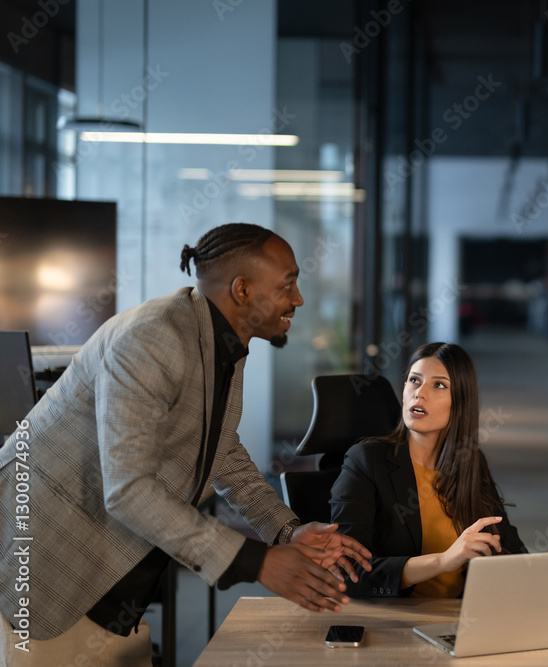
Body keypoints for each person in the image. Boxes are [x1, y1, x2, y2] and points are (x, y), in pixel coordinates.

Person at [0, 223, 371, 665]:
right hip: (48, 570)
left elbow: (223, 453)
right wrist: (258, 563)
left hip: (115, 583)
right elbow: (128, 489)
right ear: (242, 290)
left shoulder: (221, 342)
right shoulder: (152, 338)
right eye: (288, 284)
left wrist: (286, 530)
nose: (299, 299)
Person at [330, 342, 526, 598]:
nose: (419, 393)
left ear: (460, 403)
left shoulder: (470, 462)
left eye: (439, 385)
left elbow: (509, 548)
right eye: (414, 380)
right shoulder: (366, 461)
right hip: (394, 623)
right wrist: (444, 561)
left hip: (458, 620)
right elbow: (351, 572)